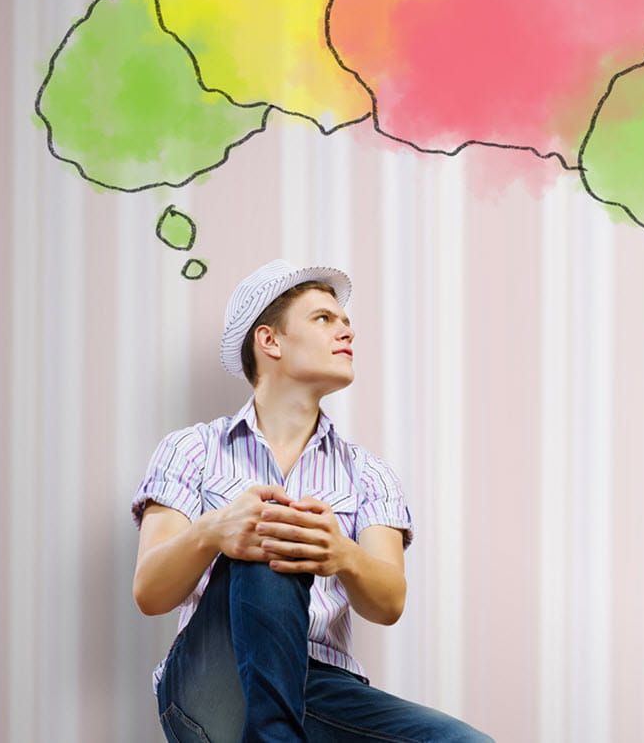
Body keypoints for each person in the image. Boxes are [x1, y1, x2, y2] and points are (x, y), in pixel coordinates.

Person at [129, 259, 492, 743]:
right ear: (270, 341)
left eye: (345, 321)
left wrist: (341, 553)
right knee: (271, 532)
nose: (346, 329)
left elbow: (388, 603)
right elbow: (150, 593)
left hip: (321, 689)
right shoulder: (191, 449)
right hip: (215, 683)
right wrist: (215, 530)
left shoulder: (369, 473)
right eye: (324, 318)